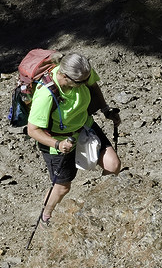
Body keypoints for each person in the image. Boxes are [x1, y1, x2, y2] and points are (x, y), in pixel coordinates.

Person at [26, 51, 121, 225]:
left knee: (113, 165)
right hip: (58, 140)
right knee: (62, 187)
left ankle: (99, 203)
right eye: (81, 82)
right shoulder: (46, 95)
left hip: (84, 125)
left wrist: (106, 110)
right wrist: (58, 143)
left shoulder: (81, 73)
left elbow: (93, 86)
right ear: (64, 76)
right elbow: (32, 130)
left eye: (86, 79)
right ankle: (46, 214)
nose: (87, 83)